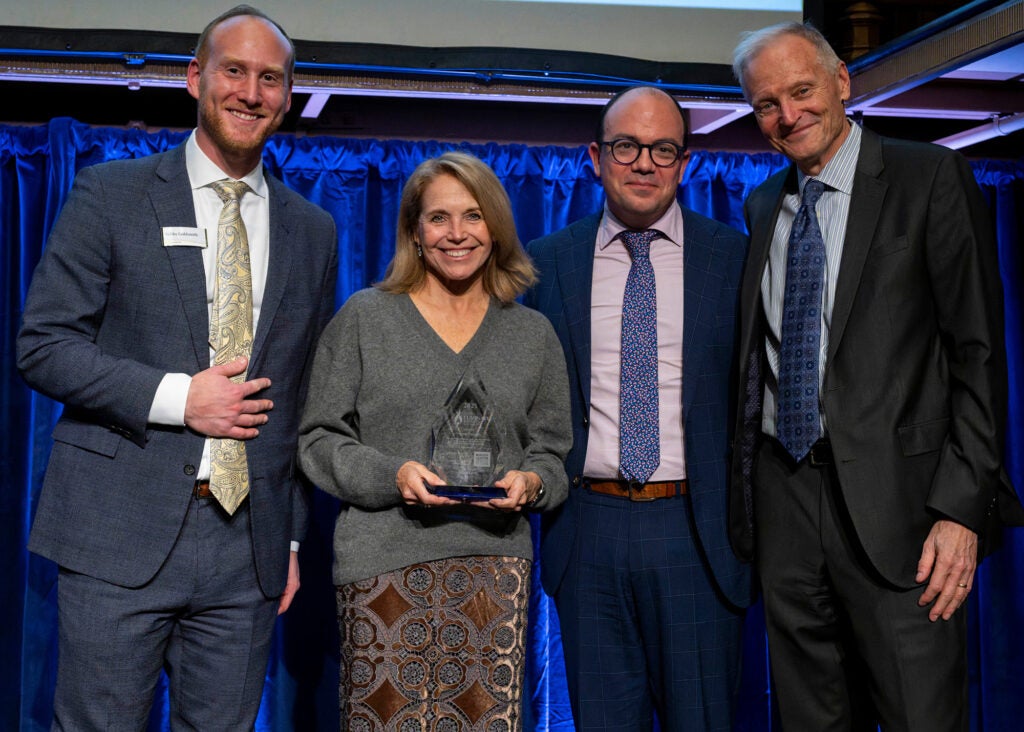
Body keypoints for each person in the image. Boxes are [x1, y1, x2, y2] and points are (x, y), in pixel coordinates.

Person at [16, 5, 338, 729]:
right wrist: (177, 398)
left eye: (270, 78)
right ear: (196, 77)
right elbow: (43, 345)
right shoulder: (112, 194)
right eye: (233, 70)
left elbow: (298, 397)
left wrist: (287, 538)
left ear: (288, 96)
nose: (250, 92)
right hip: (114, 533)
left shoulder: (312, 231)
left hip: (244, 549)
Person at [729, 22, 1020, 731]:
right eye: (767, 104)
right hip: (786, 507)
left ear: (842, 82)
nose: (788, 115)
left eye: (801, 91)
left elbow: (977, 357)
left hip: (906, 517)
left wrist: (960, 510)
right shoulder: (763, 206)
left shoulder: (930, 178)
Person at [298, 151, 571, 731]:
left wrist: (533, 481)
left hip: (494, 572)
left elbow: (552, 452)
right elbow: (319, 438)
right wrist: (391, 476)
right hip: (383, 570)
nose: (456, 233)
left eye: (473, 216)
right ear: (415, 232)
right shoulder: (366, 318)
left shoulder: (532, 334)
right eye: (438, 218)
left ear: (495, 228)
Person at [524, 86, 751, 731]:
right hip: (587, 530)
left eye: (663, 149)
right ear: (595, 157)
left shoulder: (734, 259)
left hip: (697, 533)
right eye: (627, 146)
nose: (644, 163)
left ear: (686, 163)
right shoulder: (547, 264)